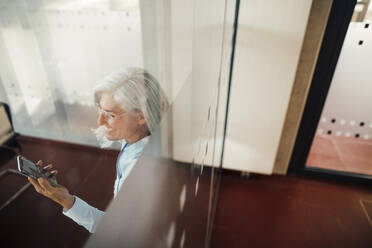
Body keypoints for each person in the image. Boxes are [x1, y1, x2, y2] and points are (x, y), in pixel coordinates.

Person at [28, 68, 168, 233]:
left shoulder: (140, 172)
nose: (100, 121)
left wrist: (66, 201)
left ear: (141, 116)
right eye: (100, 111)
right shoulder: (138, 139)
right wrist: (65, 199)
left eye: (110, 115)